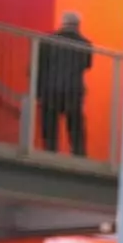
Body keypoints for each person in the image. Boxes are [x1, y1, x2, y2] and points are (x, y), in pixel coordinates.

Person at [37, 12, 93, 156]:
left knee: (50, 124)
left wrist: (38, 91)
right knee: (75, 124)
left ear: (62, 23)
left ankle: (50, 152)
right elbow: (87, 65)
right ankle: (79, 154)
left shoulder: (47, 41)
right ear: (78, 25)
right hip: (73, 90)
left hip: (50, 89)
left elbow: (40, 65)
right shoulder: (85, 44)